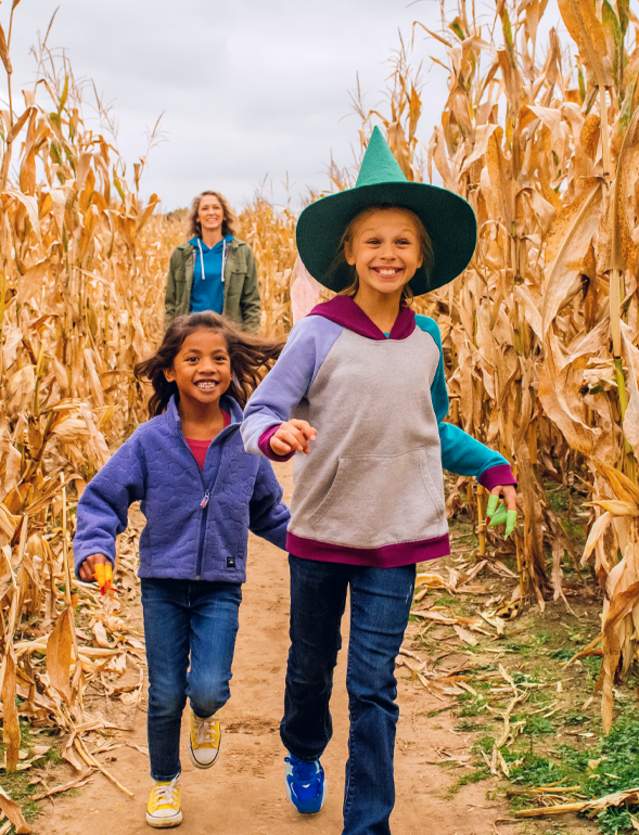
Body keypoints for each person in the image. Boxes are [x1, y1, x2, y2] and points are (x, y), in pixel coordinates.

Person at [241, 127, 518, 835]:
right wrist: (276, 435)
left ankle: (367, 824)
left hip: (400, 533)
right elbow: (261, 410)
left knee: (373, 685)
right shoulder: (317, 333)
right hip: (323, 531)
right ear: (348, 254)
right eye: (373, 241)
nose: (387, 254)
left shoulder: (426, 342)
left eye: (401, 241)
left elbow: (430, 429)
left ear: (420, 255)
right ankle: (303, 748)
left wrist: (491, 466)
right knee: (310, 667)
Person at [73, 312, 288, 829]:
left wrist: (310, 547)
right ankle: (164, 784)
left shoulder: (246, 441)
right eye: (192, 358)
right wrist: (95, 547)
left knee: (208, 689)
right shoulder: (149, 442)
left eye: (219, 358)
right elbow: (103, 499)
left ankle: (207, 717)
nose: (207, 367)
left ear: (233, 370)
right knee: (166, 693)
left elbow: (269, 512)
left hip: (220, 584)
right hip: (162, 585)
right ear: (171, 371)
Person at [164, 191, 262, 332]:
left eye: (216, 208)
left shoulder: (241, 252)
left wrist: (249, 341)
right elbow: (171, 306)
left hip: (229, 336)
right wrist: (170, 341)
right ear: (197, 217)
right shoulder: (181, 254)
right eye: (205, 208)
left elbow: (252, 303)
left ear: (224, 215)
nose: (211, 212)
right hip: (190, 335)